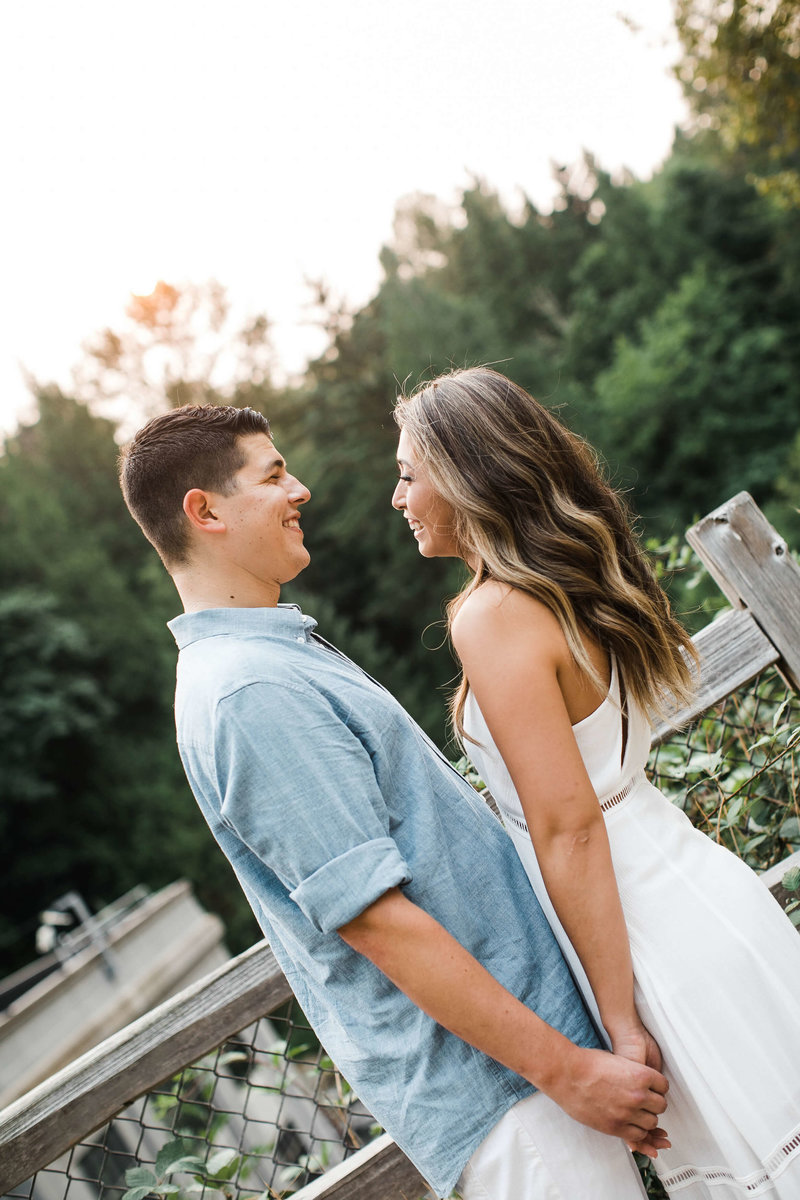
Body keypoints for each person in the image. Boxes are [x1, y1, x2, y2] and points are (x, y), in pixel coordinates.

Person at [118, 402, 670, 1200]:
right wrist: (569, 1070)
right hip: (509, 1097)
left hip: (532, 1074)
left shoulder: (272, 657)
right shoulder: (248, 692)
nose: (299, 489)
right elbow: (377, 922)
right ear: (203, 512)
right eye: (273, 475)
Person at [391, 365, 800, 1200]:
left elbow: (568, 826)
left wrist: (618, 1022)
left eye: (407, 474)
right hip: (699, 893)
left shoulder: (492, 615)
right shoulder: (566, 583)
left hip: (651, 939)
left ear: (466, 477)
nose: (397, 497)